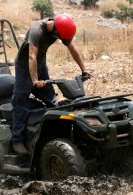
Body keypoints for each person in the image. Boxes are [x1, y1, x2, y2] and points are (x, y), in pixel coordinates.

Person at [11, 13, 91, 155]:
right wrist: (35, 80)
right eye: (59, 37)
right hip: (24, 67)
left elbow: (72, 49)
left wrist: (84, 70)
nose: (59, 39)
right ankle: (17, 141)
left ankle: (53, 135)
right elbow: (31, 56)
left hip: (40, 66)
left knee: (52, 102)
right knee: (20, 102)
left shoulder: (61, 29)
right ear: (54, 29)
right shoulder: (36, 30)